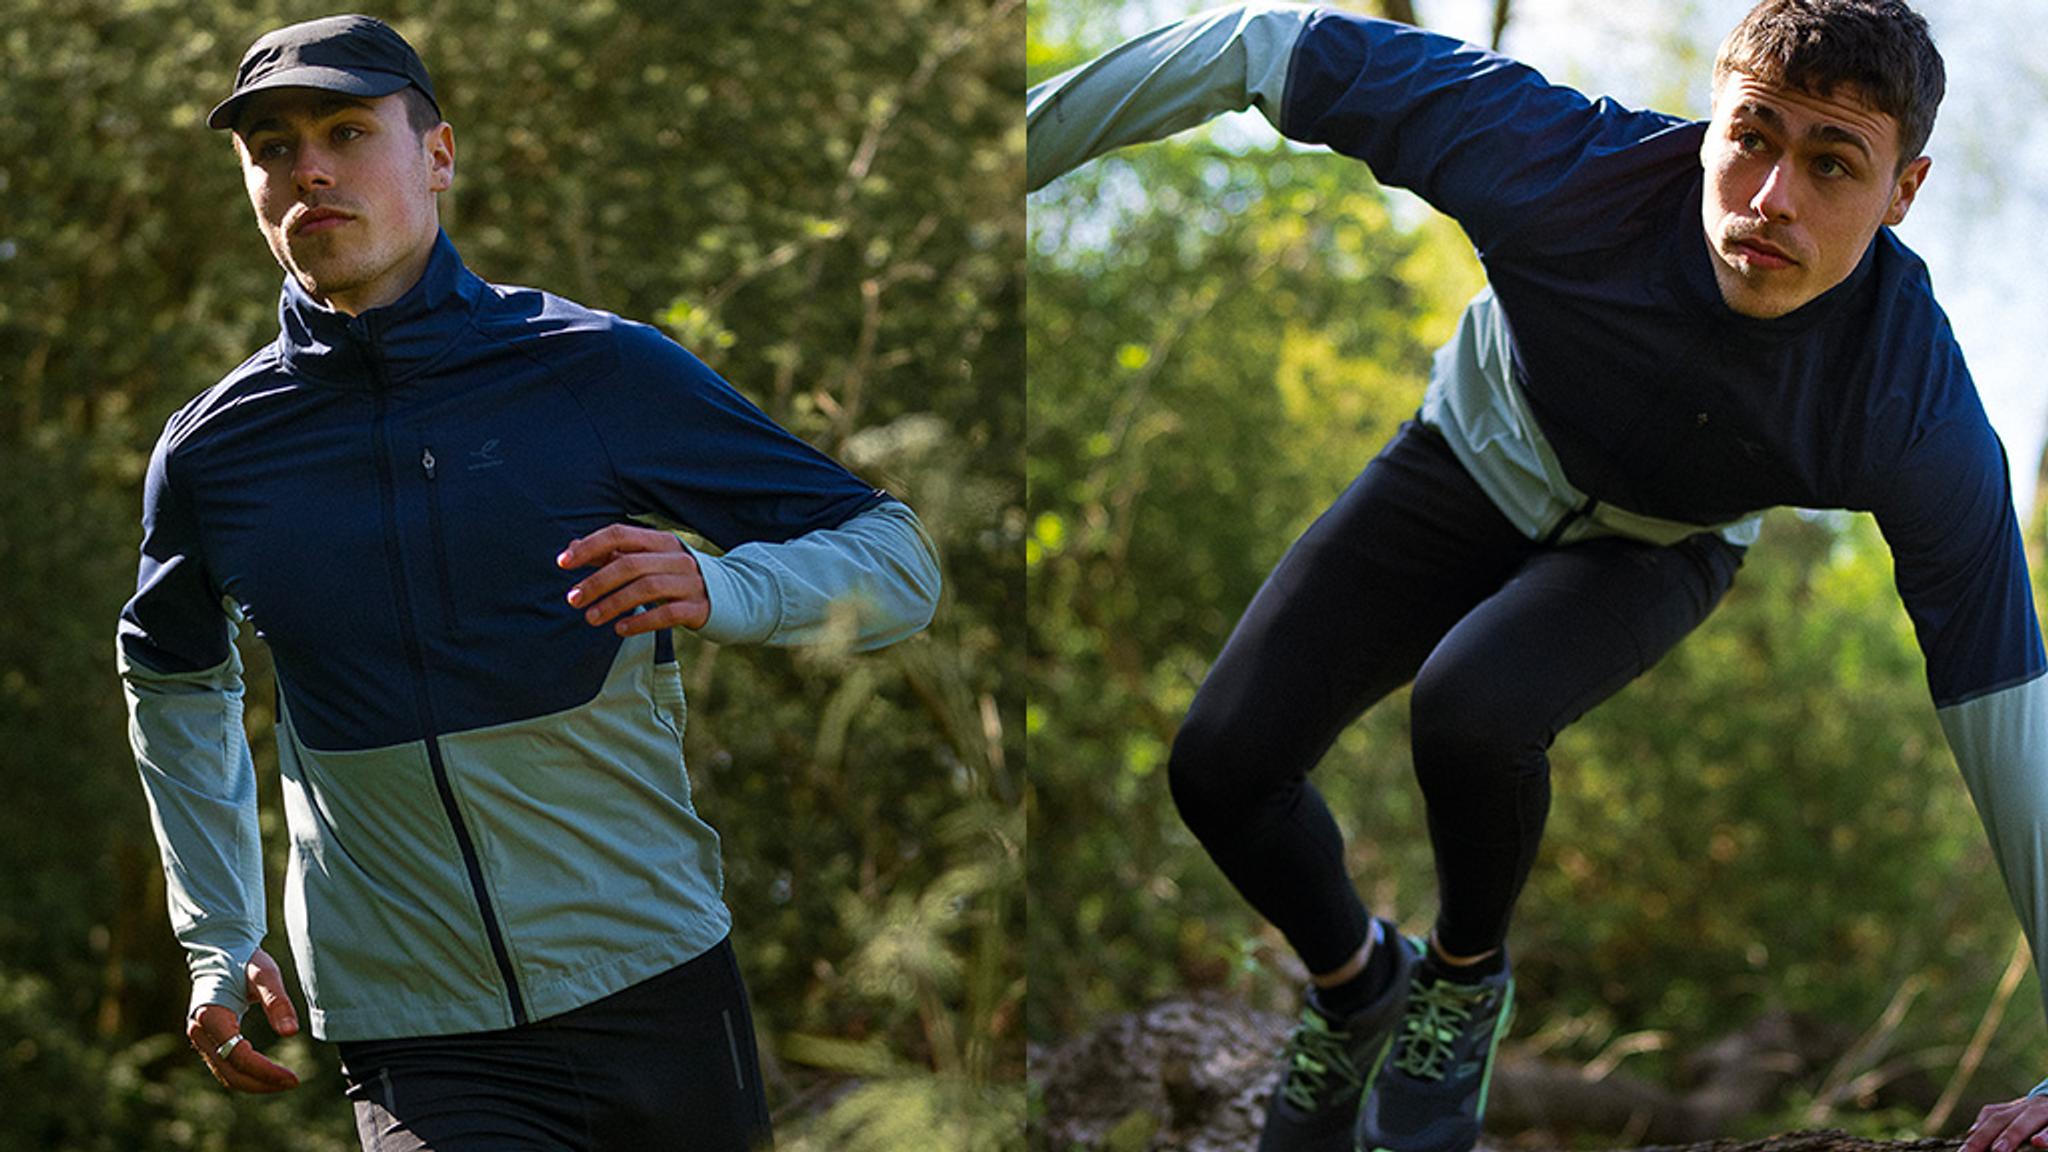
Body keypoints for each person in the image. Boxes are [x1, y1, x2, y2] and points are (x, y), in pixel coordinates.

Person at [1027, 3, 2048, 1151]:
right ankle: (1357, 985)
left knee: (1470, 707)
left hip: (1659, 546)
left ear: (1901, 191)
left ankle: (1458, 988)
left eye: (1831, 164)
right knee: (1217, 769)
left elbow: (2005, 713)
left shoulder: (1909, 404)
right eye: (1751, 138)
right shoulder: (1562, 165)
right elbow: (1264, 47)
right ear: (1711, 116)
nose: (1771, 199)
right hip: (1466, 462)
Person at [118, 14, 941, 1151]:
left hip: (658, 982)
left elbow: (898, 560)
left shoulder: (596, 369)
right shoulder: (212, 454)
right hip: (420, 1036)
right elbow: (172, 686)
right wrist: (219, 933)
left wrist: (725, 588)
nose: (307, 167)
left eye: (348, 131)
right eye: (270, 147)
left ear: (438, 154)